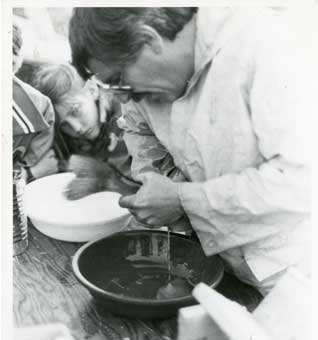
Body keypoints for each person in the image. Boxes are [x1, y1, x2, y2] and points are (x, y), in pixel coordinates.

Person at [68, 7, 312, 294]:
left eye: (119, 78)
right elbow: (138, 128)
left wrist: (183, 200)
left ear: (149, 39)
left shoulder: (265, 47)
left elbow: (301, 182)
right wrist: (162, 185)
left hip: (297, 269)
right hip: (219, 261)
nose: (123, 96)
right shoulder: (139, 86)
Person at [32, 63, 142, 193]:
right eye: (64, 125)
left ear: (92, 90)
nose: (76, 128)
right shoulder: (57, 134)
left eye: (75, 111)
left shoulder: (129, 116)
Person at [12, 21, 59, 182]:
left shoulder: (40, 109)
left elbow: (41, 164)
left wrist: (28, 174)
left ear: (15, 62)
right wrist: (30, 174)